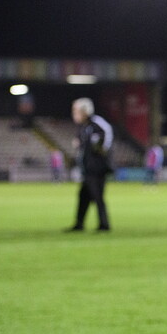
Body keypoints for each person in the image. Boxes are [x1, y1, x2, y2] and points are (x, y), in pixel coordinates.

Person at [66, 97, 114, 232]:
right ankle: (79, 224)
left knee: (97, 196)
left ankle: (104, 225)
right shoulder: (84, 127)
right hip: (88, 169)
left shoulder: (97, 123)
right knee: (84, 196)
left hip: (97, 169)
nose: (74, 114)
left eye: (76, 110)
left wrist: (100, 152)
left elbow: (106, 139)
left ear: (84, 111)